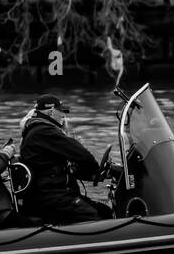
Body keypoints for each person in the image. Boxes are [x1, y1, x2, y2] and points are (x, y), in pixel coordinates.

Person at [19, 94, 116, 224]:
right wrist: (95, 168)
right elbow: (83, 156)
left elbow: (68, 167)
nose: (64, 116)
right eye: (62, 112)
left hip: (58, 193)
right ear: (51, 111)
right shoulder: (44, 132)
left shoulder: (40, 131)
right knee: (94, 217)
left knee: (106, 211)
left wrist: (96, 175)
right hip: (53, 197)